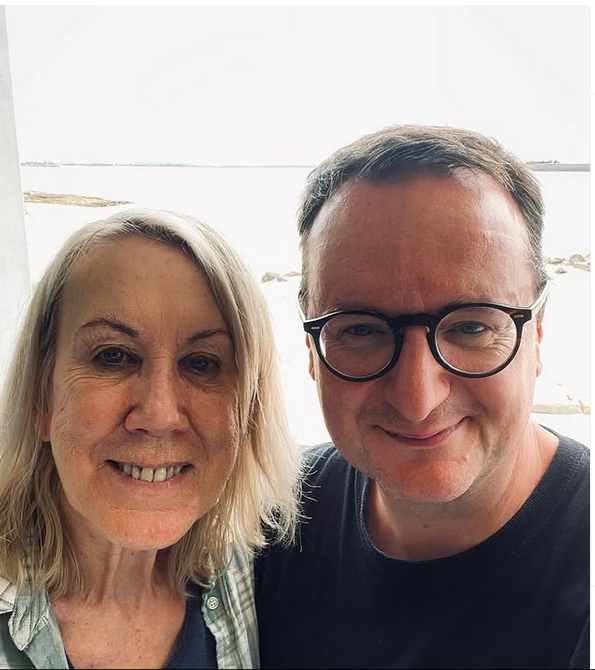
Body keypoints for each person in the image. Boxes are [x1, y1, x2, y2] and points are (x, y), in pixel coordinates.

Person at [255, 125, 589, 669]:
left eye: (472, 327)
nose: (417, 398)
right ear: (311, 350)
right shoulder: (270, 526)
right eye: (362, 330)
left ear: (538, 334)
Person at [0, 208, 301, 669]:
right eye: (114, 356)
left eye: (202, 363)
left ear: (248, 411)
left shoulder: (256, 571)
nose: (159, 416)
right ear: (41, 396)